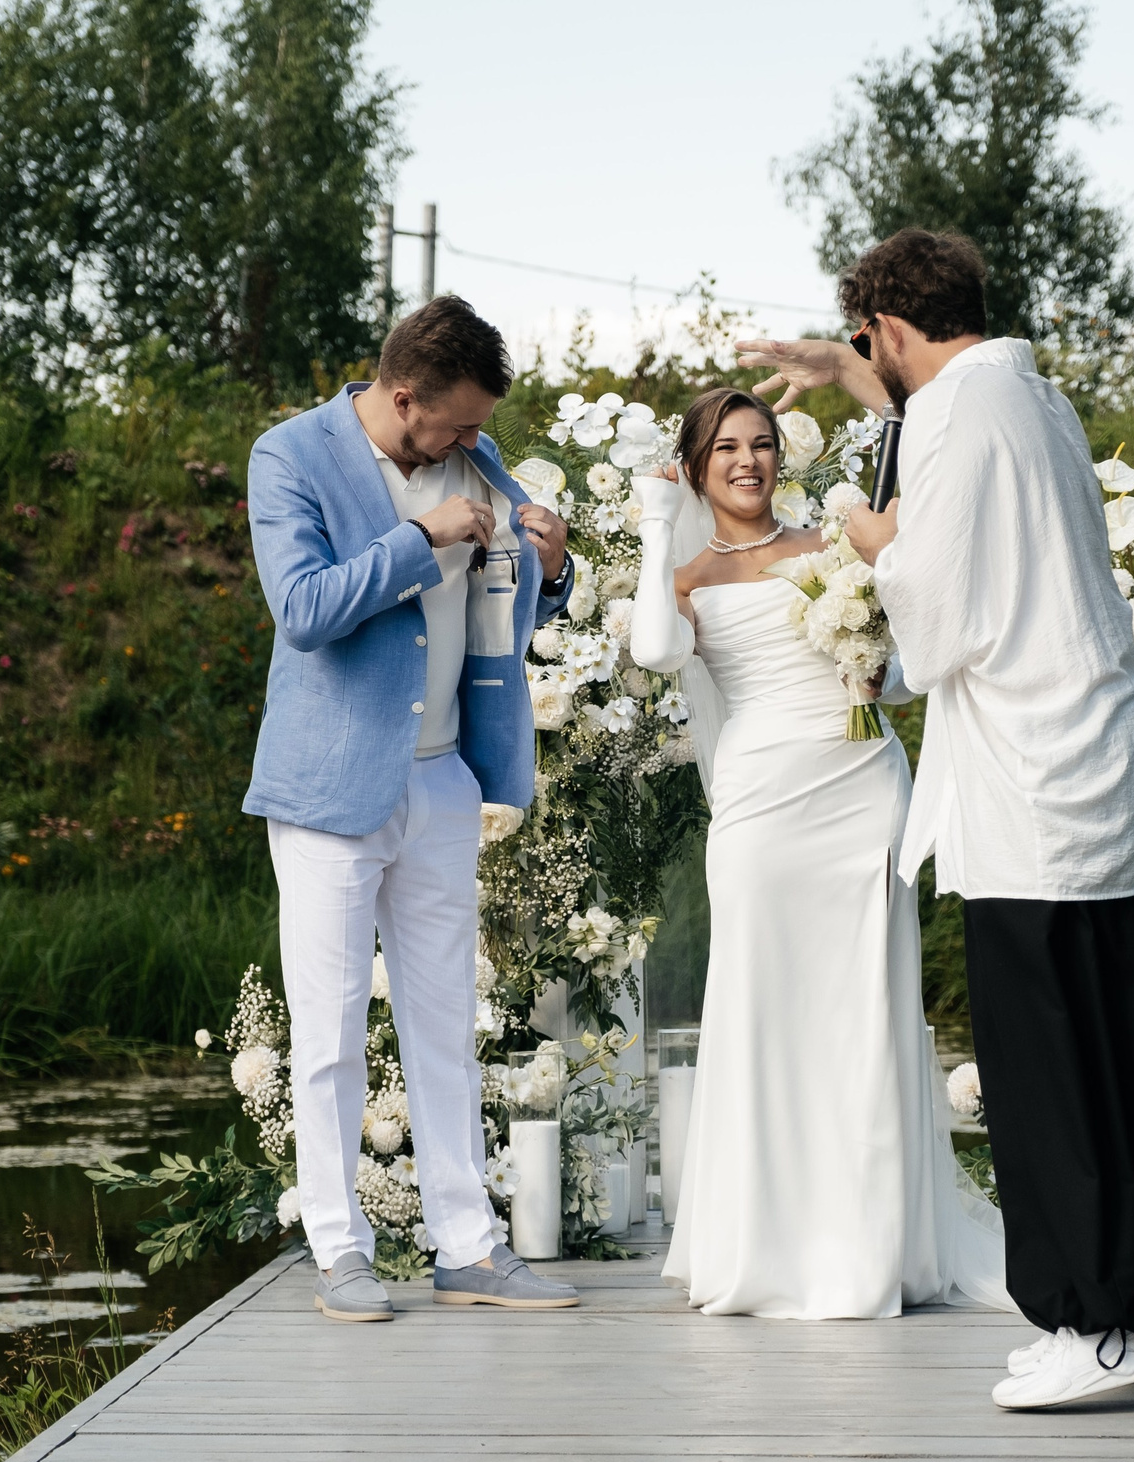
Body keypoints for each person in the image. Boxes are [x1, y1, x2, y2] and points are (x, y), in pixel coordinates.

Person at [738, 229, 1134, 1407]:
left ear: (890, 328)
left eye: (866, 346)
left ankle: (1092, 1324)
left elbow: (934, 610)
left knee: (1049, 1056)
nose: (867, 361)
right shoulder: (1025, 393)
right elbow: (962, 502)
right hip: (1093, 753)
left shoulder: (956, 416)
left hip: (1036, 776)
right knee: (1116, 1049)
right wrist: (858, 383)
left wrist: (853, 519)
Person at [629, 388, 1011, 1320]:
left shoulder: (833, 546)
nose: (749, 461)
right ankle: (762, 1246)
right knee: (761, 1008)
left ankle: (870, 1245)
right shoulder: (682, 583)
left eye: (761, 444)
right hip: (760, 805)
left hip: (859, 788)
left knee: (863, 1013)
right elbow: (650, 650)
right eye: (726, 449)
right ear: (696, 465)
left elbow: (915, 669)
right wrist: (653, 520)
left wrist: (884, 675)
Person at [245, 296, 581, 1320]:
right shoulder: (291, 456)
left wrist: (557, 570)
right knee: (332, 1030)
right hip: (329, 786)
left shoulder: (474, 458)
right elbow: (300, 609)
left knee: (443, 1025)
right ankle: (338, 1248)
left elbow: (514, 587)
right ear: (404, 397)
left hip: (443, 777)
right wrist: (415, 537)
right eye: (463, 424)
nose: (479, 442)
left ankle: (468, 1246)